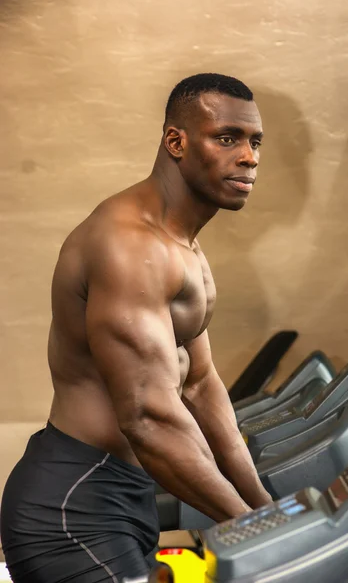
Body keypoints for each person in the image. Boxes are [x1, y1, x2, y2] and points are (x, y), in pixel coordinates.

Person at [1, 73, 272, 582]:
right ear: (176, 141)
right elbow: (148, 418)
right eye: (227, 137)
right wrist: (255, 527)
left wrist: (268, 514)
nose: (250, 157)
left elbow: (199, 384)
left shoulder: (181, 247)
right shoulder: (134, 247)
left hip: (123, 494)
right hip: (76, 510)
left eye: (255, 142)